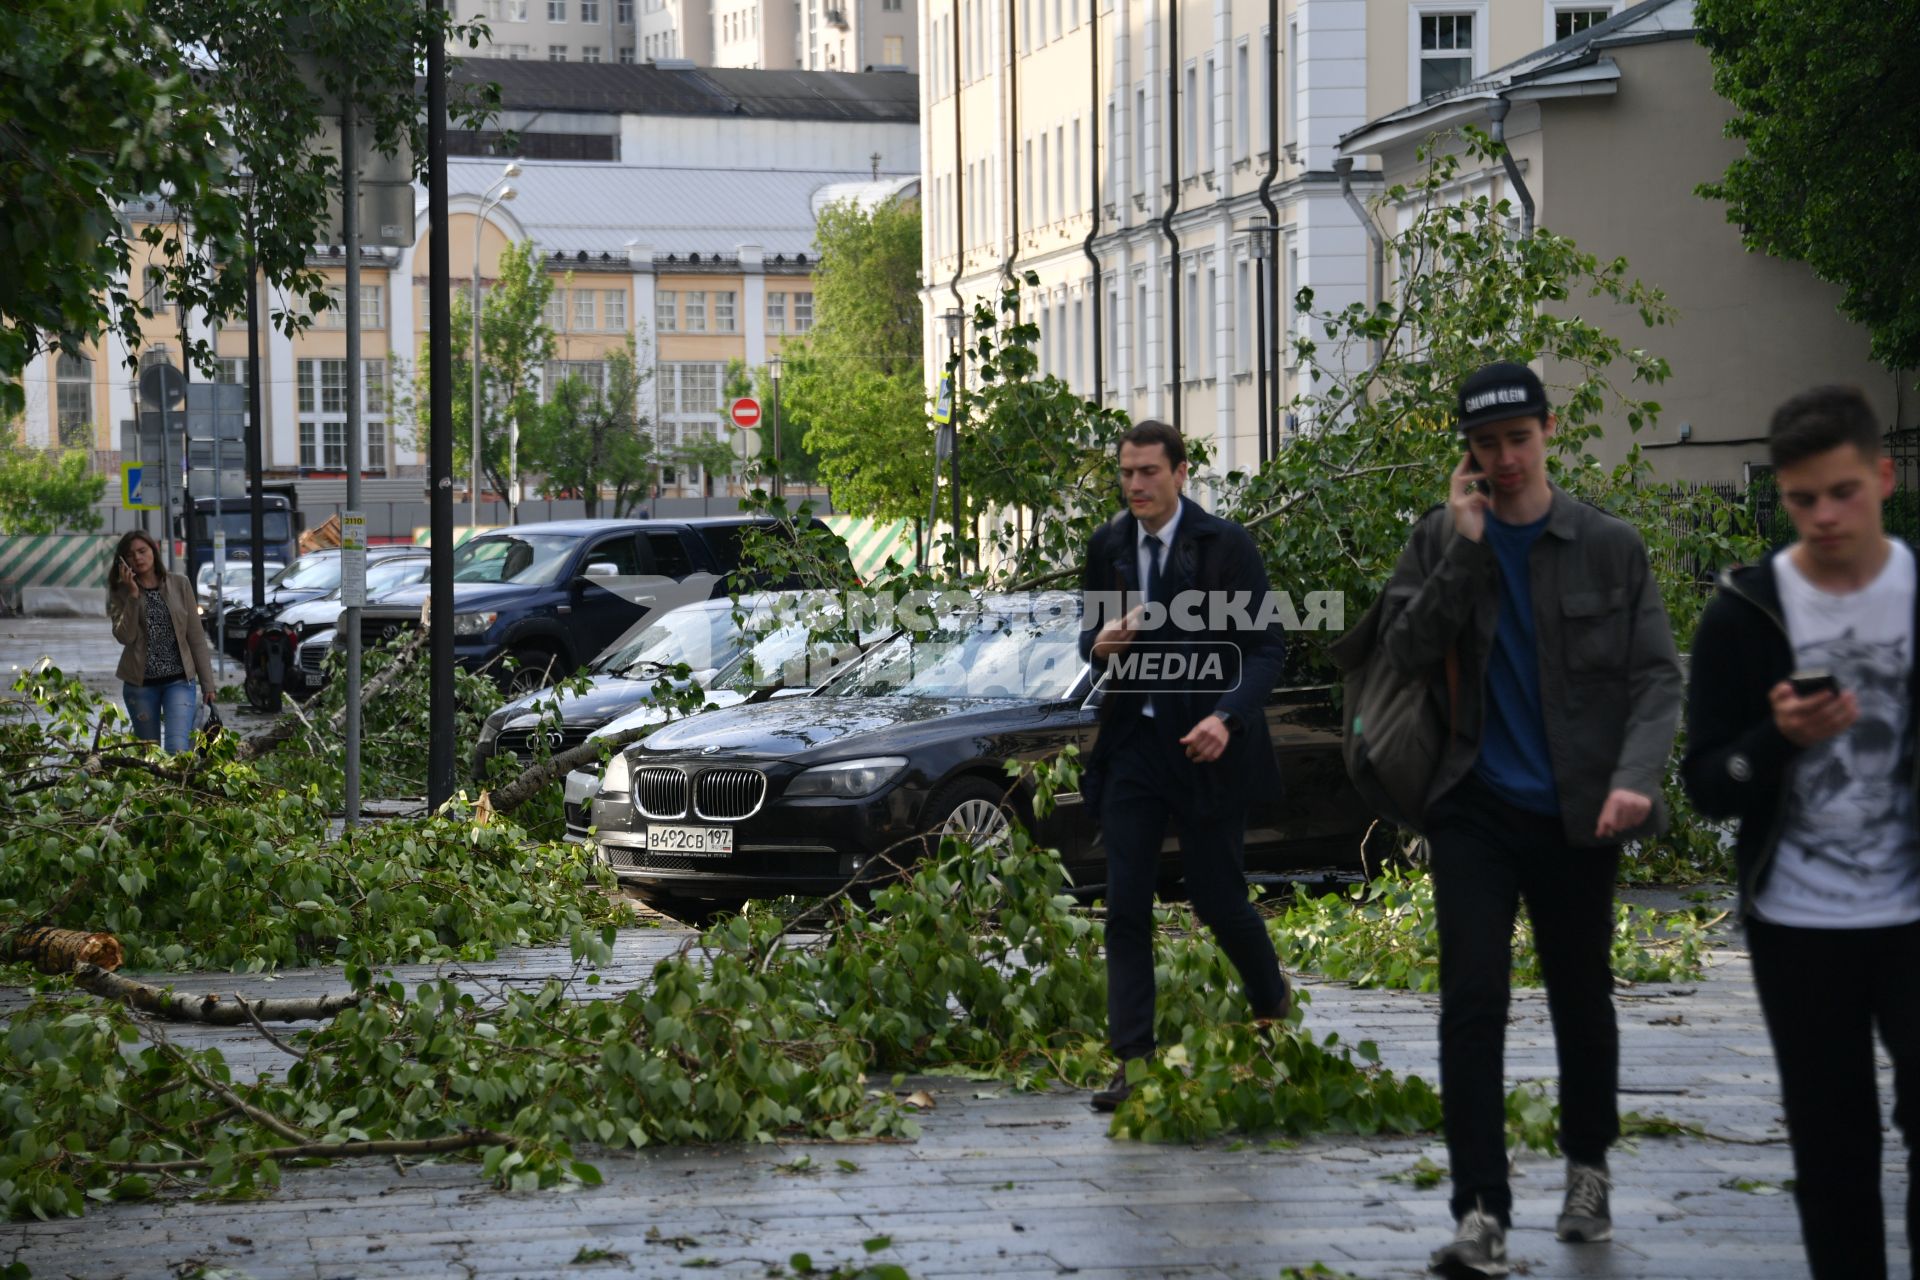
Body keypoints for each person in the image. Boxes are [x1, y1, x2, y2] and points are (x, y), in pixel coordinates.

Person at [1376, 362, 1682, 1277]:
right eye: (1485, 445)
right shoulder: (1439, 539)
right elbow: (1404, 648)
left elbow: (1657, 676)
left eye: (1518, 440)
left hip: (1579, 810)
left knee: (1580, 996)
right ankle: (1480, 1209)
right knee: (1473, 1002)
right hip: (1473, 806)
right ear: (1466, 452)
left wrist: (1635, 778)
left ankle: (1587, 1167)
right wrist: (1465, 547)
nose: (1504, 460)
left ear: (1548, 432)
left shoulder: (1606, 545)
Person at [1681, 385, 1918, 1280]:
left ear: (1883, 477)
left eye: (1843, 492)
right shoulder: (1745, 615)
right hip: (1799, 923)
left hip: (1912, 914)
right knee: (1833, 1148)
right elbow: (1706, 783)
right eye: (1803, 499)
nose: (1824, 516)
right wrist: (1773, 742)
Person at [1076, 419, 1292, 1113]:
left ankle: (1272, 1007)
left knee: (1219, 899)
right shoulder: (1108, 546)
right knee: (1126, 907)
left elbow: (1267, 649)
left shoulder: (1224, 547)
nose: (1135, 485)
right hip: (1135, 749)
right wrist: (1100, 643)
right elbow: (1090, 638)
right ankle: (1132, 1061)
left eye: (1148, 472)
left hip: (1206, 747)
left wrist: (1226, 717)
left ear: (1180, 472)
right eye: (1126, 472)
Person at [108, 529, 218, 752]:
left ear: (153, 551)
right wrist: (132, 596)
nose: (137, 558)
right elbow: (124, 636)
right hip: (140, 686)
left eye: (142, 551)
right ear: (123, 561)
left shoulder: (180, 584)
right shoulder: (120, 592)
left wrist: (208, 684)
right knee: (150, 755)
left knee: (177, 750)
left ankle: (178, 786)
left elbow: (196, 637)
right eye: (130, 555)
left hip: (179, 681)